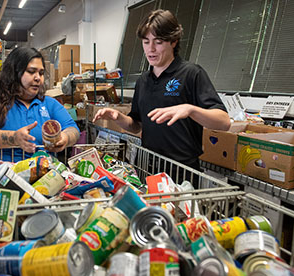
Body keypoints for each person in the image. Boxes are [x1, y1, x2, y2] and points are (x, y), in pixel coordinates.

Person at [93, 9, 230, 185]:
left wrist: (190, 109)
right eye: (146, 42)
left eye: (158, 42)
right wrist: (118, 117)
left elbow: (224, 122)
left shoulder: (191, 74)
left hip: (181, 172)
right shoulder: (143, 81)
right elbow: (137, 126)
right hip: (147, 167)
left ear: (174, 41)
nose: (150, 49)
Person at [0, 47, 80, 162]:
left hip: (41, 181)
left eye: (41, 73)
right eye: (31, 72)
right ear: (14, 72)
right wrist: (14, 138)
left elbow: (72, 128)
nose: (38, 78)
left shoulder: (48, 103)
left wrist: (64, 138)